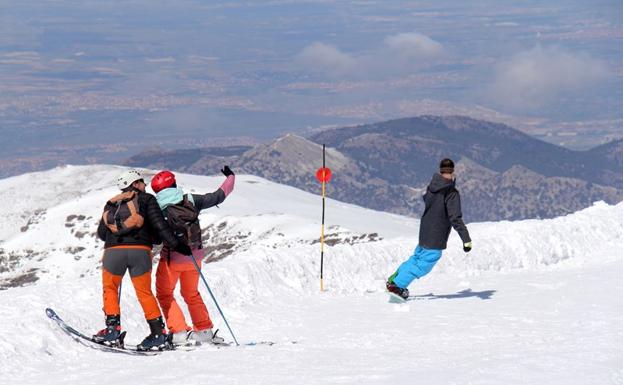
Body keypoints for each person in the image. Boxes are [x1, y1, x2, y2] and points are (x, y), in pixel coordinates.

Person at [94, 169, 193, 350]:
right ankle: (157, 334)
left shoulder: (111, 203)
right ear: (135, 184)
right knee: (144, 293)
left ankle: (112, 331)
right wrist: (179, 246)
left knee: (110, 289)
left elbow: (102, 233)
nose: (145, 185)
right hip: (140, 252)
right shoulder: (147, 200)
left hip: (112, 253)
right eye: (141, 181)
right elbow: (160, 227)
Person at [150, 166, 235, 346]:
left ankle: (180, 332)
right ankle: (204, 330)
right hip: (195, 255)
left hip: (172, 256)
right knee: (191, 293)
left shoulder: (156, 207)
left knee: (165, 294)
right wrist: (230, 176)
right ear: (174, 184)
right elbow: (219, 195)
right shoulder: (190, 200)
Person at [386, 158, 472, 300]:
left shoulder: (432, 186)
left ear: (440, 170)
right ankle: (397, 287)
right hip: (436, 233)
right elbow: (455, 218)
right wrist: (466, 240)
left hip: (425, 229)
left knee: (417, 257)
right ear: (453, 171)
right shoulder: (451, 193)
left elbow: (426, 199)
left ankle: (394, 280)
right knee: (425, 263)